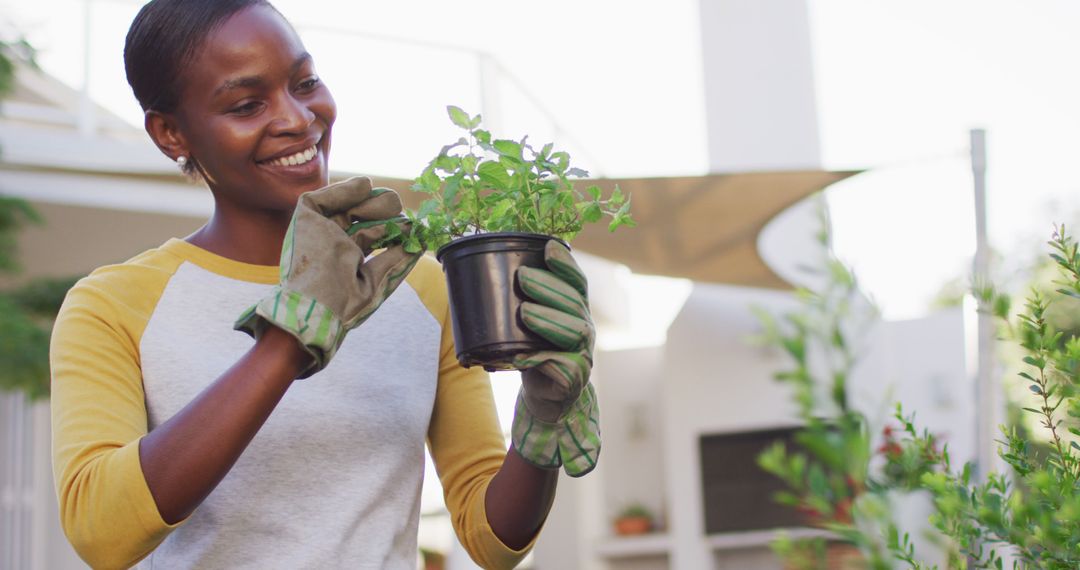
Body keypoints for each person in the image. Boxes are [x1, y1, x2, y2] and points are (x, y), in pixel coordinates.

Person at [48, 1, 600, 568]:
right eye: (246, 104)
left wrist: (541, 421)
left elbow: (491, 540)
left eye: (304, 82)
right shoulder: (112, 305)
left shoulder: (419, 288)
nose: (296, 117)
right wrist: (291, 336)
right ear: (171, 134)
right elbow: (100, 530)